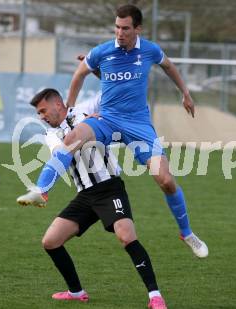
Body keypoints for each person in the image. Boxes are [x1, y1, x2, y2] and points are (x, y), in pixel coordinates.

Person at [18, 4, 208, 259]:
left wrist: (185, 93)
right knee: (72, 139)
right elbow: (79, 75)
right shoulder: (102, 51)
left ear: (138, 29)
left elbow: (169, 66)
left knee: (165, 180)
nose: (119, 33)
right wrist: (71, 111)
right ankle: (41, 190)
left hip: (139, 124)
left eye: (125, 28)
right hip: (107, 119)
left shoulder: (150, 50)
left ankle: (186, 233)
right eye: (117, 27)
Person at [20, 88, 167, 309]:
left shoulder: (86, 109)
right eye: (38, 114)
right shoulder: (51, 136)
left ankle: (155, 296)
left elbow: (113, 90)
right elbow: (63, 152)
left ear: (58, 105)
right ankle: (76, 292)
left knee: (126, 236)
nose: (41, 117)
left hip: (109, 188)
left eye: (43, 111)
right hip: (85, 195)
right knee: (50, 241)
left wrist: (97, 72)